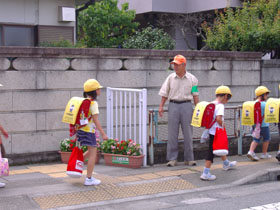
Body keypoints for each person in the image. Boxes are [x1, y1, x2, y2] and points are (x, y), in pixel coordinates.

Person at [158, 55, 199, 167]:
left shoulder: (193, 79)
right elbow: (164, 93)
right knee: (172, 133)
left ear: (184, 65)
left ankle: (189, 158)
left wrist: (198, 110)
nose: (175, 67)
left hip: (187, 105)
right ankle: (172, 159)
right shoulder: (170, 78)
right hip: (173, 105)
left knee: (188, 133)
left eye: (177, 64)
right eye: (174, 64)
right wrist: (161, 106)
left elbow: (195, 95)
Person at [200, 86, 237, 181]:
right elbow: (218, 119)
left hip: (210, 131)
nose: (227, 100)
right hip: (216, 132)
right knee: (211, 152)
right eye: (228, 98)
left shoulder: (211, 104)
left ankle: (226, 164)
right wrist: (223, 126)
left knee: (220, 147)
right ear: (225, 96)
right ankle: (205, 173)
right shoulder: (220, 105)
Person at [77, 79, 108, 186]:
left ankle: (76, 163)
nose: (100, 91)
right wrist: (103, 133)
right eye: (98, 89)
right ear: (95, 91)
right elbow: (95, 120)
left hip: (82, 131)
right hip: (89, 132)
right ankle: (89, 179)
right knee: (92, 155)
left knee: (90, 152)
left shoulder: (83, 102)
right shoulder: (93, 103)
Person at [247, 86, 271, 161]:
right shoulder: (265, 104)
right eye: (266, 94)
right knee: (266, 139)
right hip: (264, 125)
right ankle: (264, 154)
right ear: (263, 95)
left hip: (255, 125)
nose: (267, 96)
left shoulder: (253, 103)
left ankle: (251, 151)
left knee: (256, 139)